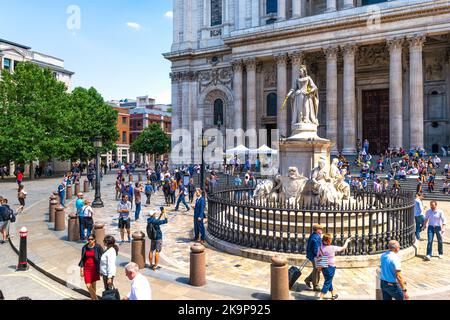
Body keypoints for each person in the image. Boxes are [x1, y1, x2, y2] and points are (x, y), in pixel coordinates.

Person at [317, 234, 353, 300]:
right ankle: (321, 297)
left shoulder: (320, 248)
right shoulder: (332, 247)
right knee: (327, 282)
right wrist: (347, 241)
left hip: (323, 267)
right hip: (330, 268)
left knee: (328, 280)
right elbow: (343, 248)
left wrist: (319, 268)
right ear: (329, 241)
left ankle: (333, 295)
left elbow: (318, 257)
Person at [79, 234, 104, 300]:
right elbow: (82, 259)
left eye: (91, 239)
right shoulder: (84, 247)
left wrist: (102, 268)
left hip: (95, 268)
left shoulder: (98, 247)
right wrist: (81, 270)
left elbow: (103, 256)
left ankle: (93, 299)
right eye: (89, 239)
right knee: (88, 285)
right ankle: (96, 298)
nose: (90, 240)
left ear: (94, 239)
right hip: (86, 268)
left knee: (93, 285)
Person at [304, 224, 323, 292]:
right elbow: (316, 249)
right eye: (320, 229)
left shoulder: (314, 235)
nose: (321, 231)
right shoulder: (316, 237)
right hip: (316, 256)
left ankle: (308, 279)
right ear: (317, 230)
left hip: (314, 255)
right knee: (317, 270)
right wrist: (320, 256)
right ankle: (315, 285)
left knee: (317, 269)